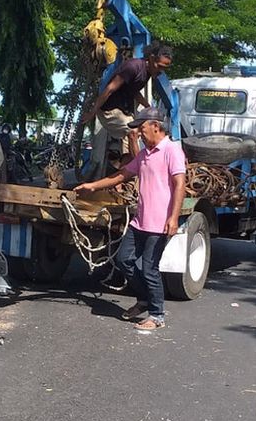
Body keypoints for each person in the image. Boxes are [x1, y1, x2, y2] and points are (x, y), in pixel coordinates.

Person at [74, 107, 186, 331]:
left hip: (159, 224)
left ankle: (157, 315)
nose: (139, 133)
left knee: (150, 269)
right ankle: (144, 299)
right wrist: (92, 186)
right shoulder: (144, 155)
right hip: (139, 222)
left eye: (142, 128)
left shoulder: (171, 150)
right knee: (124, 260)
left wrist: (173, 218)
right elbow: (121, 175)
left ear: (156, 126)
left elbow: (180, 184)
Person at [80, 42, 174, 179]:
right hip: (109, 110)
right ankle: (143, 172)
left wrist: (148, 106)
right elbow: (110, 88)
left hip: (122, 111)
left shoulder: (147, 72)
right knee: (133, 131)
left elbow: (134, 92)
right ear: (152, 58)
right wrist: (92, 112)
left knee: (130, 144)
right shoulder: (133, 67)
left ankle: (120, 178)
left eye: (164, 68)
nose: (160, 71)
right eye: (159, 66)